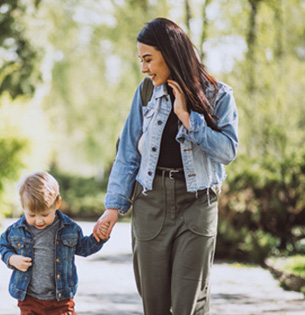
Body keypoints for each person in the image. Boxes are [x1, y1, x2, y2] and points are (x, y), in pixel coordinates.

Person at [93, 18, 239, 315]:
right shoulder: (145, 93)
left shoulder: (219, 95)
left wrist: (187, 118)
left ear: (170, 54)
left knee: (189, 303)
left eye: (148, 59)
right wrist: (113, 206)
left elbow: (228, 151)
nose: (144, 68)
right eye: (141, 60)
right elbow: (127, 153)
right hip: (151, 203)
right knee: (155, 304)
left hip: (197, 203)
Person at [0, 171, 109, 315]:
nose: (39, 220)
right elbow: (4, 246)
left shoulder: (69, 228)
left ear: (57, 203)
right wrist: (11, 259)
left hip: (61, 299)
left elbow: (84, 248)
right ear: (23, 206)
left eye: (45, 215)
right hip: (29, 298)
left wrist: (98, 238)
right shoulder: (16, 230)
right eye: (32, 215)